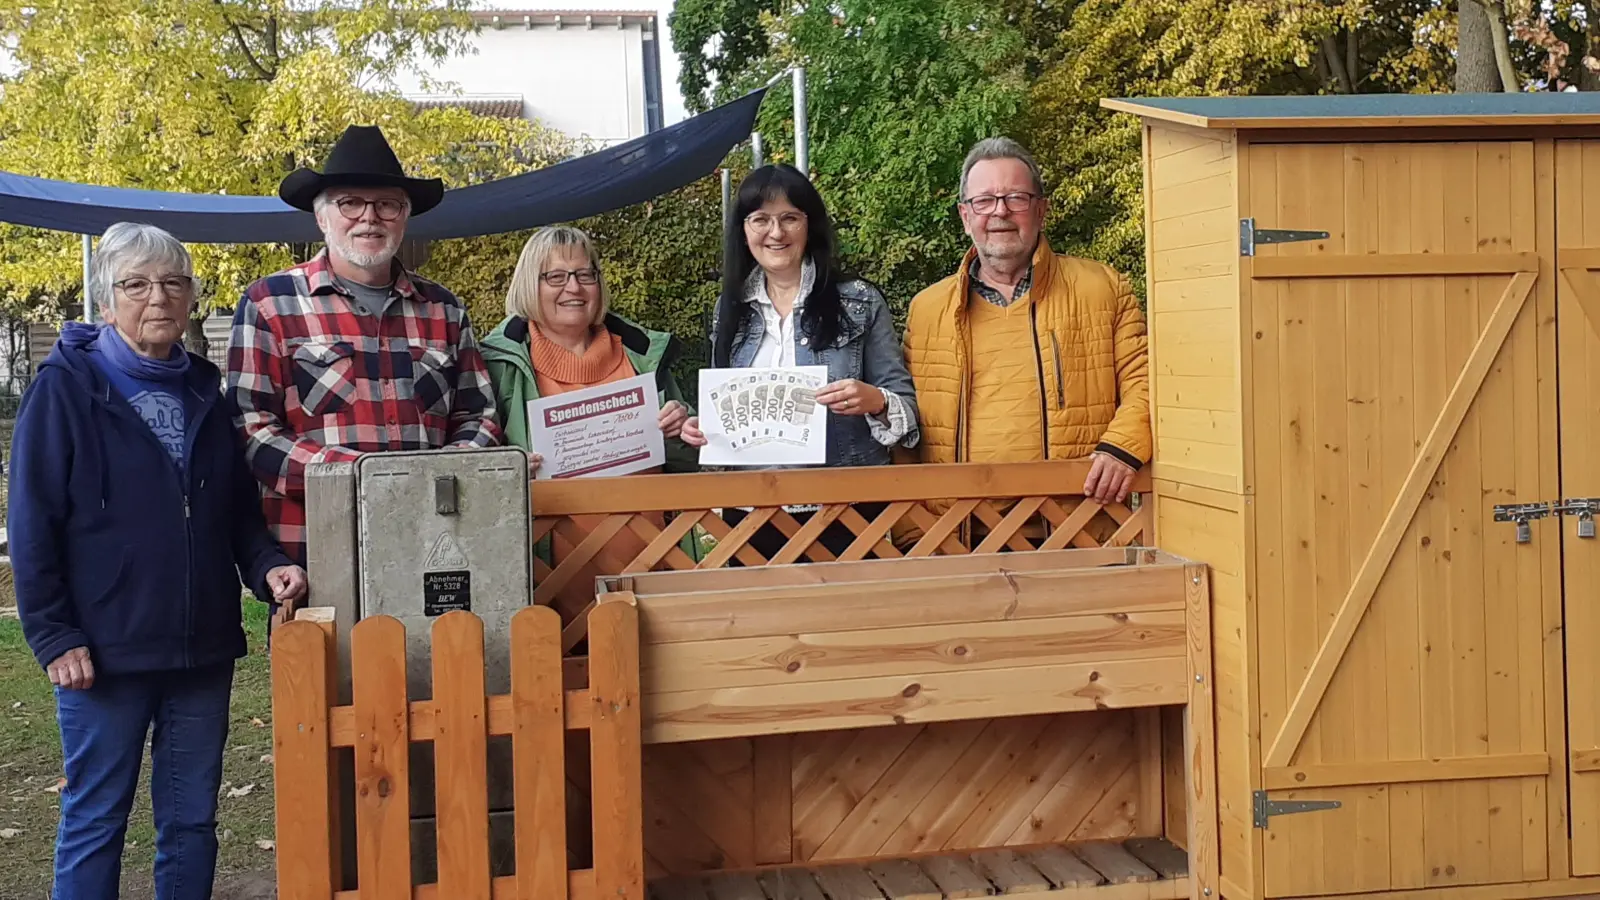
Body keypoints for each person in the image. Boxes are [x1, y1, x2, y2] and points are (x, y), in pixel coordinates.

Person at [9, 222, 307, 900]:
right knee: (96, 819)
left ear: (192, 298)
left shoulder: (206, 387)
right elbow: (32, 524)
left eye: (174, 283)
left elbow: (235, 512)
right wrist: (53, 635)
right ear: (105, 302)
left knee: (193, 824)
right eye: (136, 284)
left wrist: (265, 567)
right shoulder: (65, 389)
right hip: (102, 656)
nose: (157, 297)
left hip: (199, 650)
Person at [226, 124, 501, 589]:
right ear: (322, 217)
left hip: (434, 545)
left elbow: (480, 415)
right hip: (316, 555)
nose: (369, 218)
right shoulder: (270, 303)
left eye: (387, 204)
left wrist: (443, 474)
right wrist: (358, 479)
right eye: (350, 203)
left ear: (405, 215)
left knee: (445, 660)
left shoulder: (444, 308)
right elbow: (250, 430)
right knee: (324, 663)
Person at [681, 164, 919, 558]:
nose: (776, 233)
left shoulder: (860, 302)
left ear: (810, 226)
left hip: (846, 510)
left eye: (790, 218)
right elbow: (726, 408)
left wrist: (875, 402)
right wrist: (703, 429)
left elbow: (907, 414)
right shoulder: (729, 309)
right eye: (761, 219)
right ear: (743, 229)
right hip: (751, 511)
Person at [902, 137, 1150, 507]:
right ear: (965, 215)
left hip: (1078, 526)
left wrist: (1122, 448)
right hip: (956, 536)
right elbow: (904, 423)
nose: (999, 212)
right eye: (984, 200)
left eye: (1015, 198)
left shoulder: (1103, 288)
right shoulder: (926, 310)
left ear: (1041, 210)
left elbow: (1148, 382)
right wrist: (913, 530)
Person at [481, 224, 701, 562]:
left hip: (654, 565)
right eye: (555, 276)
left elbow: (689, 464)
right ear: (529, 284)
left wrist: (681, 433)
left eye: (585, 275)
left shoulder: (643, 356)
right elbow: (473, 474)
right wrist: (507, 471)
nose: (574, 287)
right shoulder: (497, 366)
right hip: (545, 582)